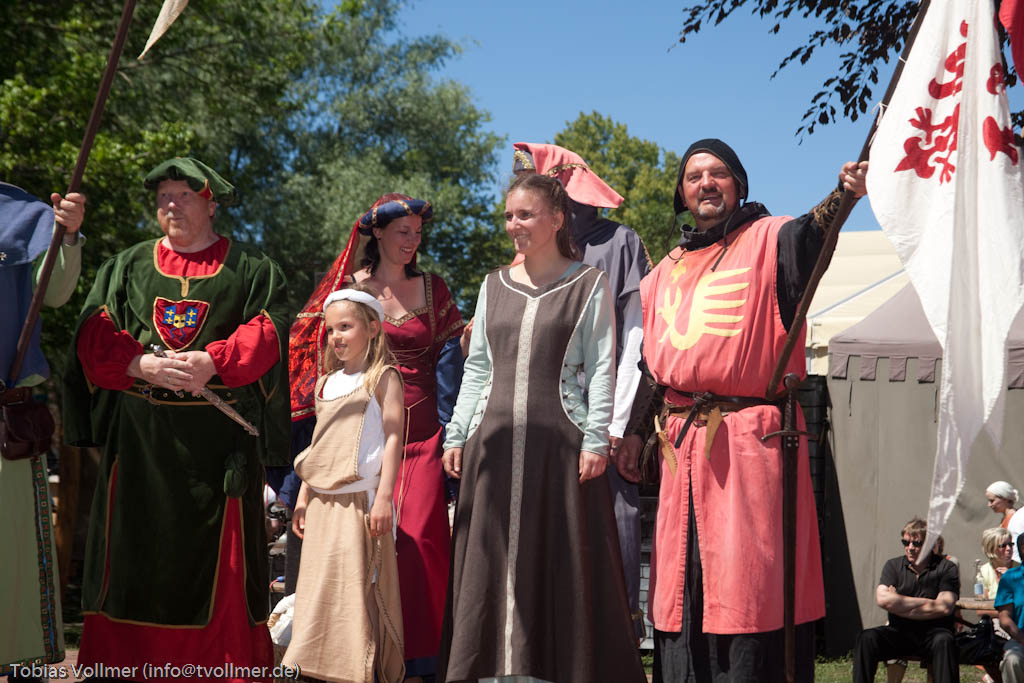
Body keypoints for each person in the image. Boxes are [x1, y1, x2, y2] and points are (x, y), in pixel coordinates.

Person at [628, 138, 868, 682]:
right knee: (682, 582)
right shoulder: (662, 273)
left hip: (750, 443)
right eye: (694, 176)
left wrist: (843, 195)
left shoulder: (770, 239)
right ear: (682, 193)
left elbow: (813, 237)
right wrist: (634, 435)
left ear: (738, 184)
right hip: (681, 448)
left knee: (750, 581)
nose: (706, 184)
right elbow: (652, 369)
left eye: (718, 173)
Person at [62, 158, 291, 680]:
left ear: (211, 204)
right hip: (140, 448)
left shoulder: (253, 269)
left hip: (219, 449)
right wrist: (137, 364)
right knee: (133, 564)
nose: (171, 204)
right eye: (164, 195)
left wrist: (214, 361)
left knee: (220, 570)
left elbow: (272, 329)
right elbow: (93, 330)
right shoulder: (124, 267)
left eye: (184, 195)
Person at [439, 172, 645, 683]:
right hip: (491, 445)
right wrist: (458, 432)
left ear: (556, 219)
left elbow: (602, 367)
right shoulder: (493, 285)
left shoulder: (588, 284)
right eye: (509, 216)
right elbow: (478, 368)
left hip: (561, 448)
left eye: (525, 214)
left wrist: (596, 439)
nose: (514, 224)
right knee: (488, 559)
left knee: (560, 563)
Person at [289, 193, 465, 682]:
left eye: (418, 233)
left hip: (421, 436)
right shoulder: (349, 290)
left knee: (420, 541)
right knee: (357, 544)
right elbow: (322, 356)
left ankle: (420, 661)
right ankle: (361, 650)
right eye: (402, 231)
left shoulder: (433, 288)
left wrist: (453, 430)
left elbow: (450, 363)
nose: (412, 240)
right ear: (378, 233)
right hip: (360, 436)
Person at [512, 142, 651, 640]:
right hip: (540, 422)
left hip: (601, 419)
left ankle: (617, 643)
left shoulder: (619, 242)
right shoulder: (529, 252)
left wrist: (615, 423)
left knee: (610, 527)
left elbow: (636, 336)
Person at [282, 285, 405, 683]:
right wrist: (304, 497)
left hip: (360, 502)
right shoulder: (325, 383)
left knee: (356, 591)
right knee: (319, 590)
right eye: (331, 329)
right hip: (321, 504)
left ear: (372, 328)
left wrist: (384, 497)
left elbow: (394, 438)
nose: (336, 336)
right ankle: (314, 669)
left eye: (346, 327)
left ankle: (356, 671)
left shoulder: (382, 378)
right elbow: (319, 447)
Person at [1, 183, 85, 682]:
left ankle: (22, 666)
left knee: (13, 559)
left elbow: (54, 293)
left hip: (6, 427)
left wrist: (68, 235)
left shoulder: (27, 214)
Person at [852, 518, 959, 683]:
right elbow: (882, 600)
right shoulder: (893, 566)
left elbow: (944, 607)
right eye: (906, 542)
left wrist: (898, 602)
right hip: (899, 631)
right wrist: (928, 604)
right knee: (866, 638)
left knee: (945, 640)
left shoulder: (946, 567)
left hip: (934, 633)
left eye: (916, 543)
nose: (910, 548)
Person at [996, 533, 1024, 682]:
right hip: (1020, 638)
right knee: (1012, 660)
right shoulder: (1011, 578)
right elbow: (1004, 618)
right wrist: (1022, 639)